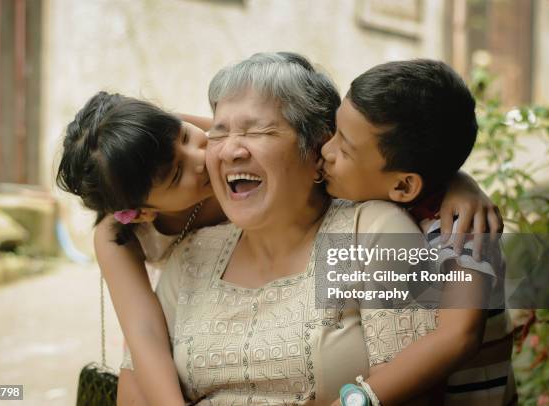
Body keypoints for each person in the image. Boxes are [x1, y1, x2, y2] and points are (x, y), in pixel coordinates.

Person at [57, 55, 501, 404]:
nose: (214, 155)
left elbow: (453, 342)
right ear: (143, 211)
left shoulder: (385, 229)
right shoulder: (162, 245)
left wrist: (457, 181)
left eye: (194, 136)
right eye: (221, 133)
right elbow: (144, 343)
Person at [321, 59, 515, 405]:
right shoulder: (384, 188)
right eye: (334, 131)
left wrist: (355, 401)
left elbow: (458, 336)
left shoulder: (461, 229)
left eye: (344, 148)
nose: (325, 150)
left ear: (405, 185)